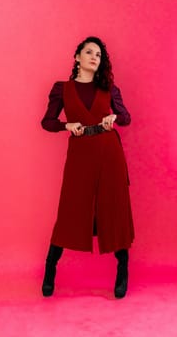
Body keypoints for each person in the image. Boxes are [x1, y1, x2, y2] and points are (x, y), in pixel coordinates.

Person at [41, 36, 134, 299]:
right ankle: (50, 268)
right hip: (80, 154)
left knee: (112, 210)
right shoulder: (63, 89)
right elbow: (47, 121)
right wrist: (65, 125)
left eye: (99, 55)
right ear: (77, 57)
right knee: (71, 209)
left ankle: (123, 269)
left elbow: (126, 118)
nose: (95, 57)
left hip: (109, 154)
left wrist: (115, 116)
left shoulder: (110, 89)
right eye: (89, 52)